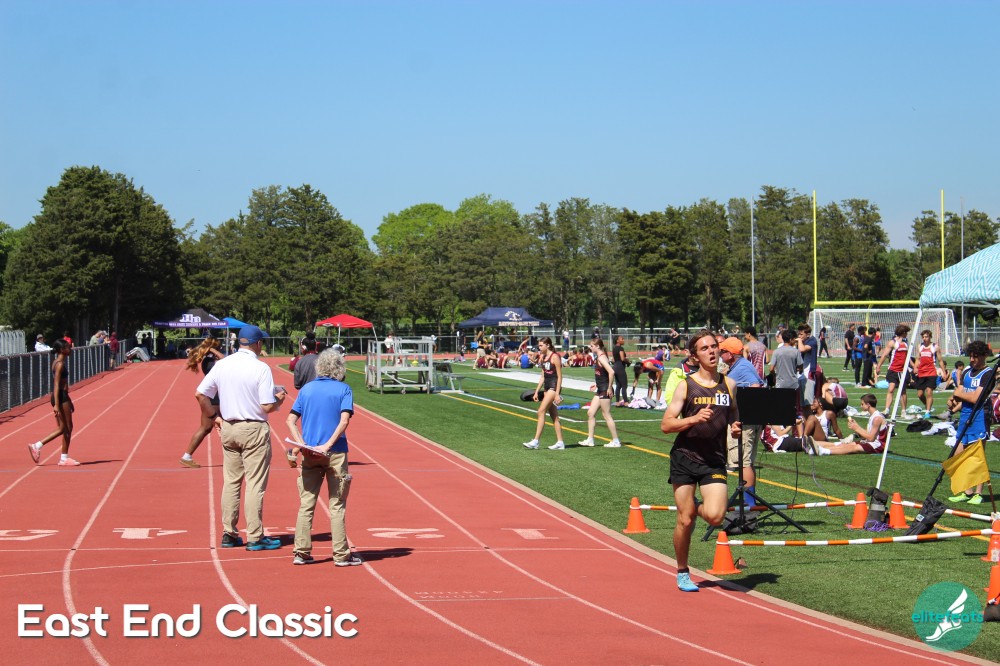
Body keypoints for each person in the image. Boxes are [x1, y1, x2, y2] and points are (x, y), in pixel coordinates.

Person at [661, 330, 741, 592]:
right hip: (685, 457)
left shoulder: (729, 384)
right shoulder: (687, 385)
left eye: (714, 346)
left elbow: (733, 415)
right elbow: (666, 424)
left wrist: (736, 427)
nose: (711, 351)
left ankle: (693, 506)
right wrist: (693, 419)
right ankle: (682, 570)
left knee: (716, 516)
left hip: (713, 459)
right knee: (685, 521)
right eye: (704, 348)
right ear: (695, 356)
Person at [196, 325, 287, 551]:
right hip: (253, 428)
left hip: (229, 426)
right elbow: (266, 406)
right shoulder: (261, 368)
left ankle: (229, 533)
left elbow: (200, 393)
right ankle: (255, 536)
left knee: (231, 482)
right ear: (257, 343)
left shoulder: (222, 364)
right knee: (255, 483)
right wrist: (279, 399)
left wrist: (214, 417)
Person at [285, 349, 363, 567]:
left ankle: (301, 552)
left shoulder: (307, 389)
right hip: (335, 452)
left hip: (310, 453)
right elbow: (344, 421)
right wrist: (327, 445)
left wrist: (301, 445)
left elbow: (290, 420)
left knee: (306, 504)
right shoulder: (343, 389)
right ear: (339, 369)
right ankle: (341, 554)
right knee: (337, 505)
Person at [945, 341, 994, 504]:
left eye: (975, 357)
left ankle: (978, 494)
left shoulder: (988, 374)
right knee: (959, 454)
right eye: (970, 356)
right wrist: (953, 399)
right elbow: (960, 392)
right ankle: (967, 491)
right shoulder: (967, 372)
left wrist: (959, 394)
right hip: (965, 416)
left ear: (984, 356)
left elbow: (975, 398)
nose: (972, 360)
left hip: (979, 417)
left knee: (976, 456)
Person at [719, 337, 763, 508]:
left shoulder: (742, 367)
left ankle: (749, 504)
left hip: (745, 422)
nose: (719, 354)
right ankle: (749, 501)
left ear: (730, 354)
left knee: (744, 463)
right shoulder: (739, 366)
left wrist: (741, 411)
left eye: (722, 351)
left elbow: (755, 386)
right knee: (746, 462)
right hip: (748, 420)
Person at [27, 339, 79, 466]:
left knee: (64, 428)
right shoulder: (59, 364)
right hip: (60, 397)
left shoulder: (58, 362)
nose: (70, 348)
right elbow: (56, 384)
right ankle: (40, 447)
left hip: (62, 396)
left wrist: (69, 400)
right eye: (67, 347)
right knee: (66, 428)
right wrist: (56, 403)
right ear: (62, 350)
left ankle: (58, 455)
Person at [180, 335, 226, 468]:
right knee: (220, 426)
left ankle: (187, 456)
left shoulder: (209, 360)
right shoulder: (210, 361)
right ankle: (187, 456)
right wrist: (213, 350)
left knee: (208, 428)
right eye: (218, 346)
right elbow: (225, 361)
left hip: (212, 397)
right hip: (214, 399)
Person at [522, 337, 566, 450]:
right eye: (539, 345)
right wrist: (536, 391)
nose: (539, 347)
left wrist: (557, 393)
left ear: (548, 345)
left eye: (541, 345)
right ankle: (560, 442)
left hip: (553, 387)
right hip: (547, 387)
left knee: (540, 411)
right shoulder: (543, 357)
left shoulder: (554, 357)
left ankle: (536, 441)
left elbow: (560, 377)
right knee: (554, 416)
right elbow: (542, 376)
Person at [578, 339, 622, 448]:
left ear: (597, 346)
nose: (590, 347)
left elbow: (611, 372)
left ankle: (616, 441)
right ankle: (590, 440)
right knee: (590, 413)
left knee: (606, 414)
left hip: (605, 389)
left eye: (592, 346)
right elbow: (603, 374)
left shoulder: (602, 357)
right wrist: (597, 385)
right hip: (600, 388)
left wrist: (609, 388)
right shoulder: (599, 357)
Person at [811, 394, 886, 455]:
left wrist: (856, 428)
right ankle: (817, 448)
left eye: (862, 404)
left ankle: (823, 451)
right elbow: (867, 434)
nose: (861, 406)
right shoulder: (873, 416)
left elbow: (871, 438)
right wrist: (856, 427)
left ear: (868, 405)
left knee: (853, 448)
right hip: (871, 442)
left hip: (877, 445)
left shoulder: (877, 418)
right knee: (846, 445)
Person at [874, 324, 912, 413]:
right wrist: (878, 367)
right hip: (893, 369)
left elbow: (908, 356)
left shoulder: (906, 343)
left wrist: (913, 366)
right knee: (891, 389)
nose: (907, 334)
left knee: (903, 391)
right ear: (903, 332)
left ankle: (903, 411)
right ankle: (887, 409)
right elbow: (884, 355)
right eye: (906, 332)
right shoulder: (893, 342)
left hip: (903, 371)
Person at [914, 330, 946, 419]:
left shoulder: (935, 347)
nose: (925, 338)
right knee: (920, 394)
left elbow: (940, 360)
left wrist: (943, 372)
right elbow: (917, 358)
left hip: (931, 372)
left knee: (929, 392)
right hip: (921, 372)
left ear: (930, 337)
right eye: (923, 337)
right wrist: (915, 367)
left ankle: (927, 412)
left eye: (926, 337)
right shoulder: (920, 346)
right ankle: (928, 405)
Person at [795, 324, 819, 405]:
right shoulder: (804, 341)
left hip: (808, 375)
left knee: (808, 403)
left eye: (801, 334)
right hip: (802, 374)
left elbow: (802, 349)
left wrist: (799, 341)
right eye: (798, 334)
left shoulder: (812, 341)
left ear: (808, 334)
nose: (799, 336)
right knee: (803, 404)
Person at [611, 335, 629, 406]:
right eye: (622, 339)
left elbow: (613, 360)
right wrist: (628, 361)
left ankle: (617, 402)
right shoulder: (620, 348)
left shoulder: (614, 348)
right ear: (617, 341)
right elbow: (622, 358)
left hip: (615, 366)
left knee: (618, 385)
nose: (623, 340)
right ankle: (626, 402)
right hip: (620, 367)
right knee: (624, 385)